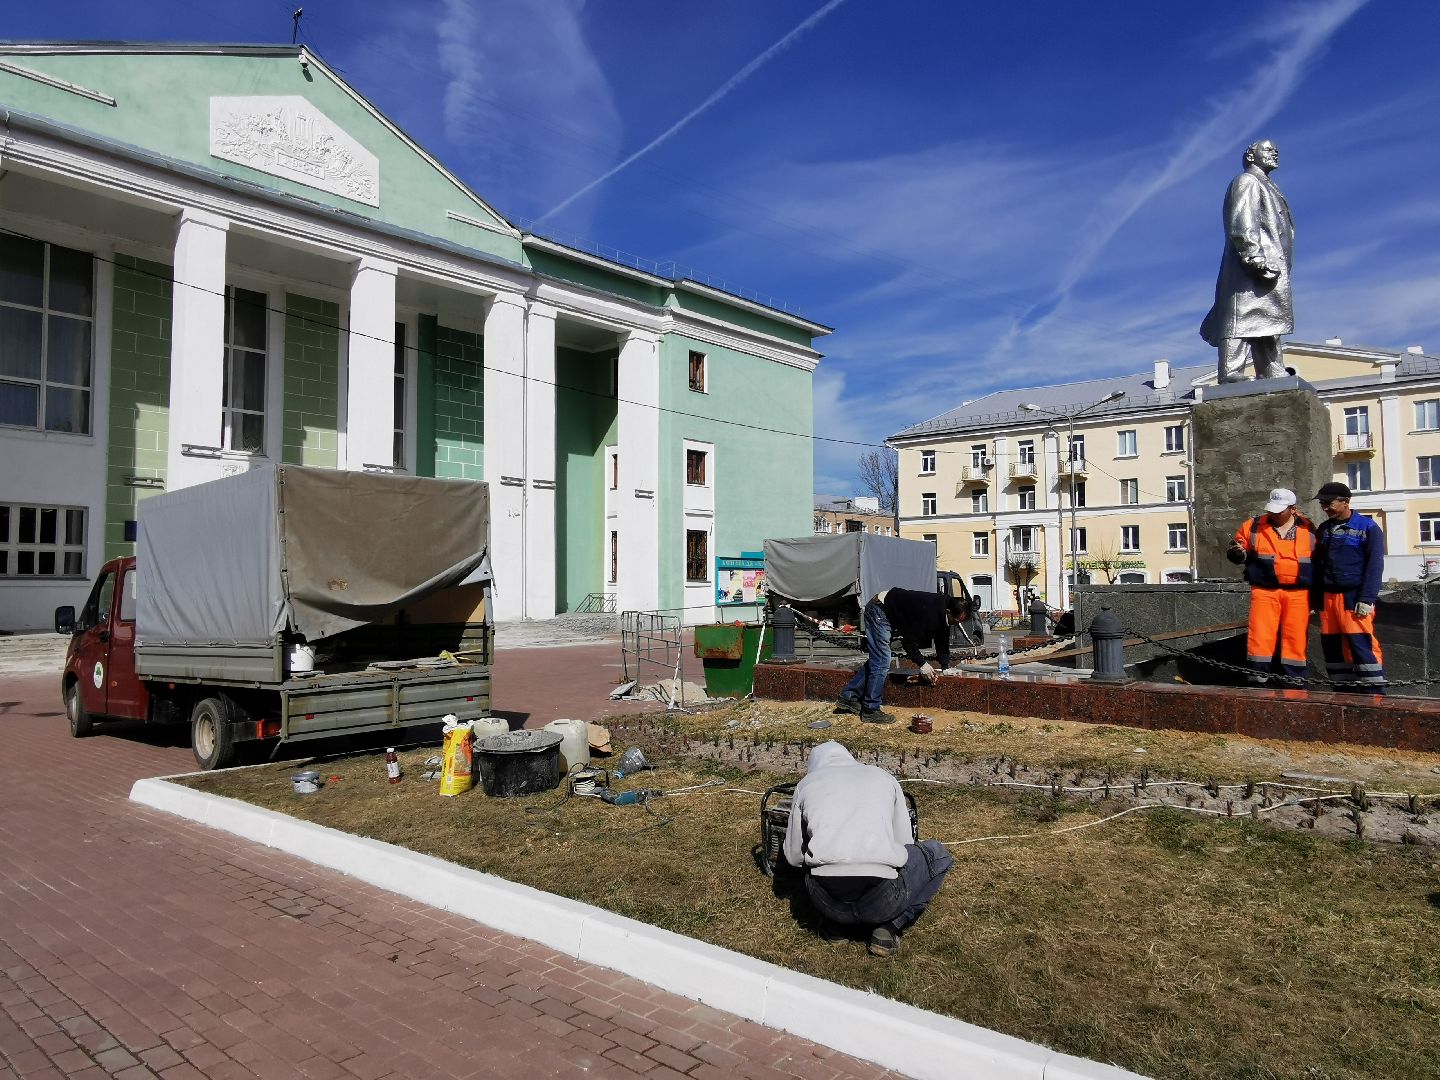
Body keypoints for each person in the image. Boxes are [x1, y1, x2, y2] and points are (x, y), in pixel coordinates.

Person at [782, 741, 952, 958]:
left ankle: (837, 926)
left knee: (820, 868)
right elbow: (905, 843)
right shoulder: (883, 777)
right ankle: (889, 926)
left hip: (825, 901)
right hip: (884, 901)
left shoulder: (807, 784)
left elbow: (794, 857)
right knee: (937, 853)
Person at [1199, 140, 1295, 383]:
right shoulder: (1247, 181)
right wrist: (1254, 257)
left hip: (1271, 266)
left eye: (1276, 149)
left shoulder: (1268, 184)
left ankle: (1272, 370)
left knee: (1268, 320)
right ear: (1251, 156)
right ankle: (1231, 372)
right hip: (1252, 267)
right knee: (1241, 316)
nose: (1274, 152)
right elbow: (1242, 222)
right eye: (1268, 149)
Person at [834, 588, 968, 724]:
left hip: (886, 606)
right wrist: (922, 664)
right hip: (879, 609)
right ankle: (870, 709)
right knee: (882, 660)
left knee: (877, 659)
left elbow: (942, 640)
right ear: (948, 612)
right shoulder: (930, 614)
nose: (957, 624)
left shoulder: (945, 611)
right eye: (956, 621)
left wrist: (945, 667)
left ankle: (849, 697)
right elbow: (908, 641)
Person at [1226, 487, 1315, 684]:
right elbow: (1238, 555)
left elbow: (1318, 561)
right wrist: (1237, 552)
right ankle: (1258, 680)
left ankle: (1294, 681)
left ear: (1292, 509)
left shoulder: (1309, 529)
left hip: (1298, 593)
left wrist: (1317, 597)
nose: (1273, 513)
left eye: (1279, 510)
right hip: (1264, 591)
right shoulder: (1253, 526)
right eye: (1271, 509)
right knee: (1260, 637)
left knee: (1296, 637)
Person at [1309, 481, 1386, 693]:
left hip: (1354, 598)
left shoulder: (1368, 528)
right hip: (1328, 599)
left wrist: (1367, 598)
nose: (1324, 508)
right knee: (1332, 648)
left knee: (1361, 646)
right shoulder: (1324, 530)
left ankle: (1374, 696)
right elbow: (1317, 566)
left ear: (1345, 502)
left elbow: (1375, 565)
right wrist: (1315, 600)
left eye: (1328, 503)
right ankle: (1343, 695)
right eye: (1322, 504)